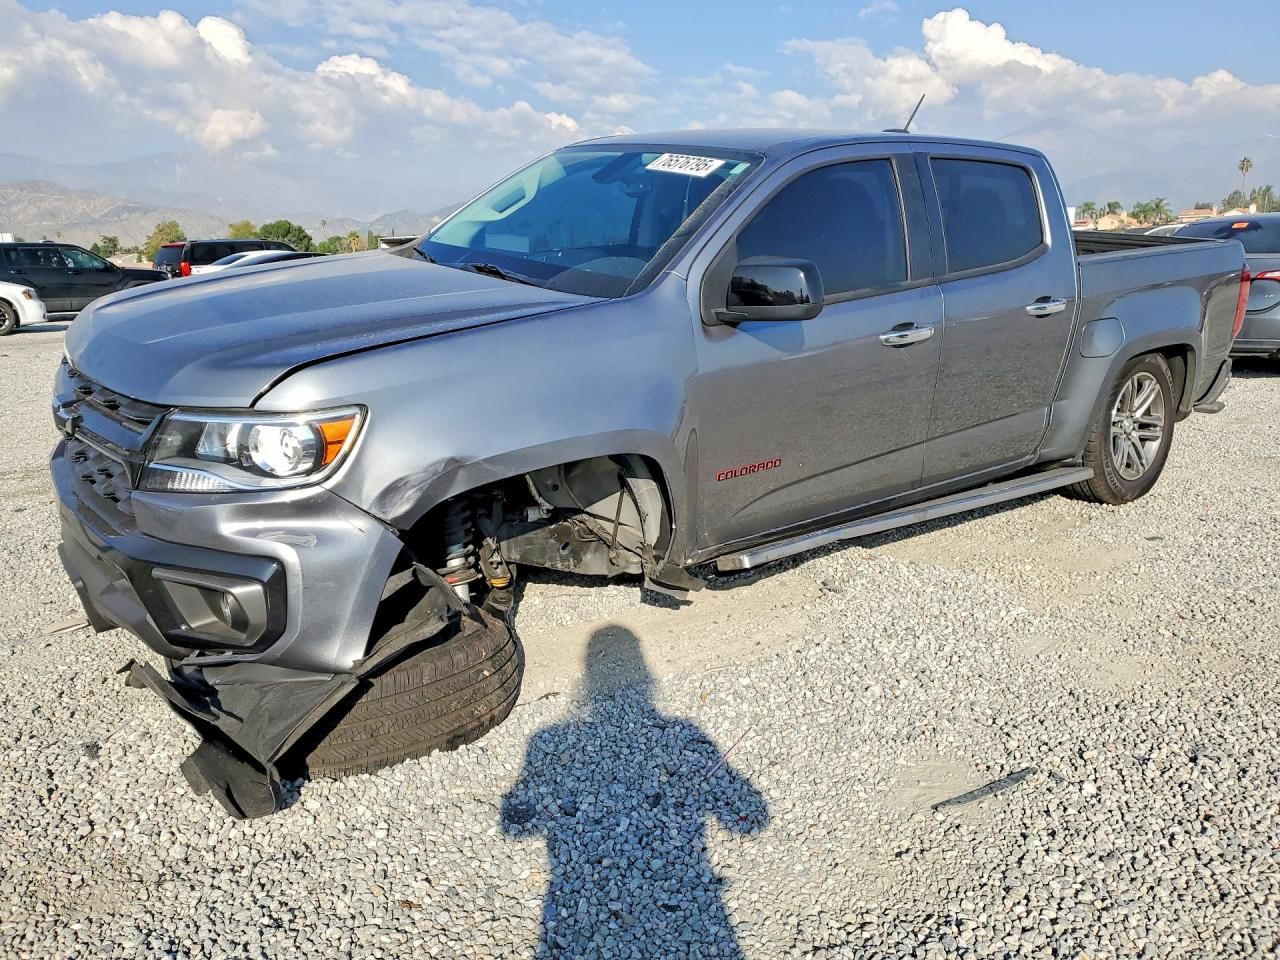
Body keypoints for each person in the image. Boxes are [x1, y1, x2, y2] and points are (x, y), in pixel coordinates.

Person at [502, 626, 769, 958]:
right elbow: (752, 820)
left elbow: (515, 828)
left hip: (574, 904)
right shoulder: (683, 730)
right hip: (695, 905)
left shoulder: (546, 739)